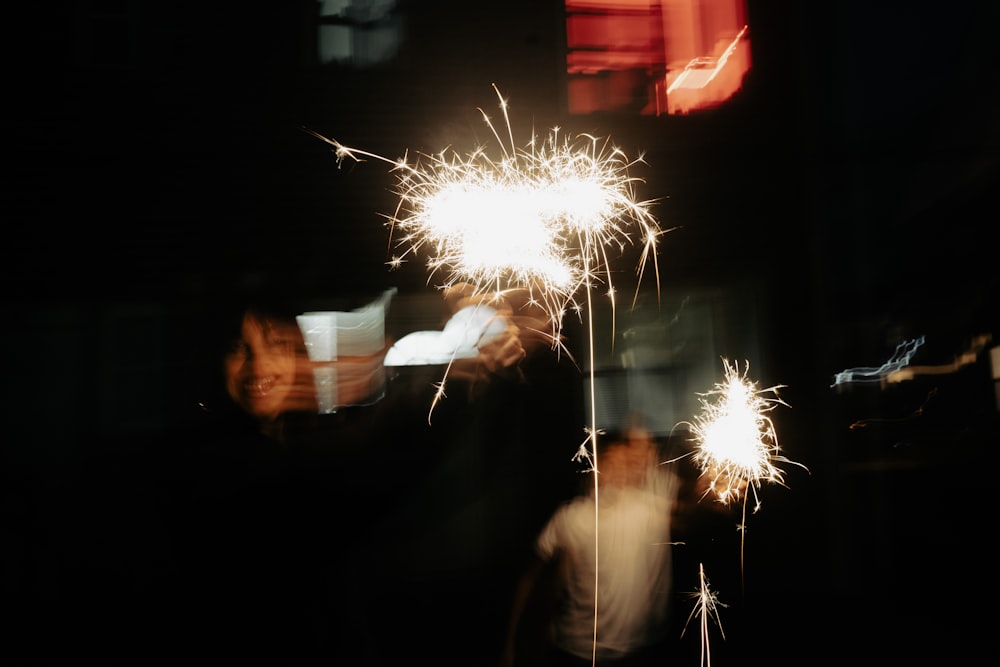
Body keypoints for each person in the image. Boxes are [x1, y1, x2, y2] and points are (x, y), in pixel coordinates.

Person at [499, 424, 679, 667]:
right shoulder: (570, 517)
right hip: (577, 651)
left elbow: (687, 514)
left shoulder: (642, 509)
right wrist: (510, 643)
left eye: (624, 466)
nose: (619, 472)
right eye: (610, 464)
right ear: (595, 469)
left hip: (638, 651)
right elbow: (531, 578)